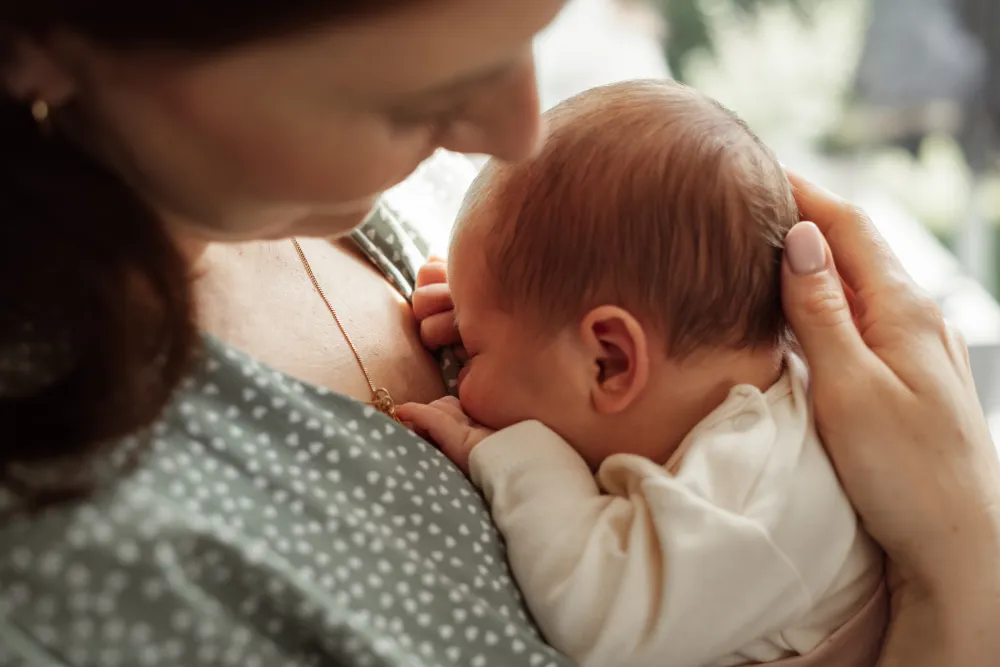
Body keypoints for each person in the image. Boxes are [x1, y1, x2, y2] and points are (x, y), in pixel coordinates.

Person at [0, 2, 997, 666]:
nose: (517, 131)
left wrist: (501, 439)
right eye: (417, 97)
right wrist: (960, 583)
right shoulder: (79, 567)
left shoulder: (391, 199)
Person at [398, 79, 885, 667]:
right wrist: (493, 315)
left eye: (472, 351)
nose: (458, 362)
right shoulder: (727, 395)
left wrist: (508, 453)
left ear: (611, 362)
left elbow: (599, 615)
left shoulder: (760, 492)